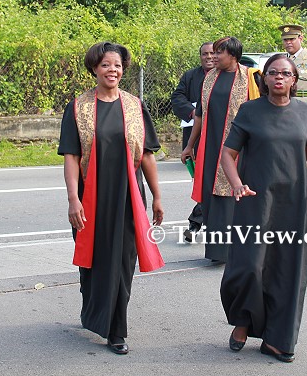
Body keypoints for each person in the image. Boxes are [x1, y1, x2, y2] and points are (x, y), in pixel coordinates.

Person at [219, 54, 307, 362]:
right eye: (273, 73)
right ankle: (243, 320)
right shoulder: (250, 111)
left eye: (285, 73)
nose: (279, 77)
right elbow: (227, 154)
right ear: (264, 79)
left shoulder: (304, 112)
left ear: (294, 80)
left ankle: (278, 340)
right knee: (249, 266)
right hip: (255, 200)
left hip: (293, 202)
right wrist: (236, 183)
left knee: (287, 270)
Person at [58, 41, 164, 355]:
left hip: (129, 196)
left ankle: (116, 330)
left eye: (117, 65)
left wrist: (157, 196)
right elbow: (71, 156)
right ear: (94, 68)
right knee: (92, 261)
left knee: (122, 262)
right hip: (90, 197)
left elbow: (147, 154)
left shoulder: (135, 106)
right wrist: (73, 200)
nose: (112, 70)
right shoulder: (77, 107)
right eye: (105, 65)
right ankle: (93, 312)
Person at [180, 36, 261, 263]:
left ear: (233, 55)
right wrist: (189, 145)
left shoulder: (251, 78)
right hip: (211, 147)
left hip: (240, 148)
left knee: (234, 197)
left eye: (219, 53)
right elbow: (199, 115)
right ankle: (217, 252)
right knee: (212, 198)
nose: (213, 57)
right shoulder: (209, 78)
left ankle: (239, 250)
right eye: (213, 52)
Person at [171, 42, 215, 242]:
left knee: (211, 182)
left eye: (212, 53)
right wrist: (193, 112)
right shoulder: (190, 76)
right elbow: (177, 97)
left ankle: (195, 224)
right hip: (195, 138)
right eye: (205, 54)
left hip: (218, 138)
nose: (209, 57)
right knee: (202, 182)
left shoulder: (226, 78)